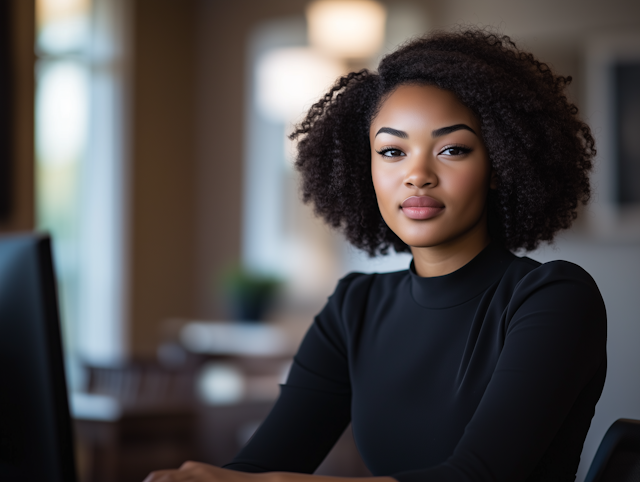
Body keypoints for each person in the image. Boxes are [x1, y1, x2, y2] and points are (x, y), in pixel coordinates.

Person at [145, 28, 606, 482]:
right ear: (364, 169)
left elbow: (474, 476)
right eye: (392, 151)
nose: (417, 175)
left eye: (452, 149)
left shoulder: (554, 298)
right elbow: (262, 464)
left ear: (499, 167)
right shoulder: (355, 306)